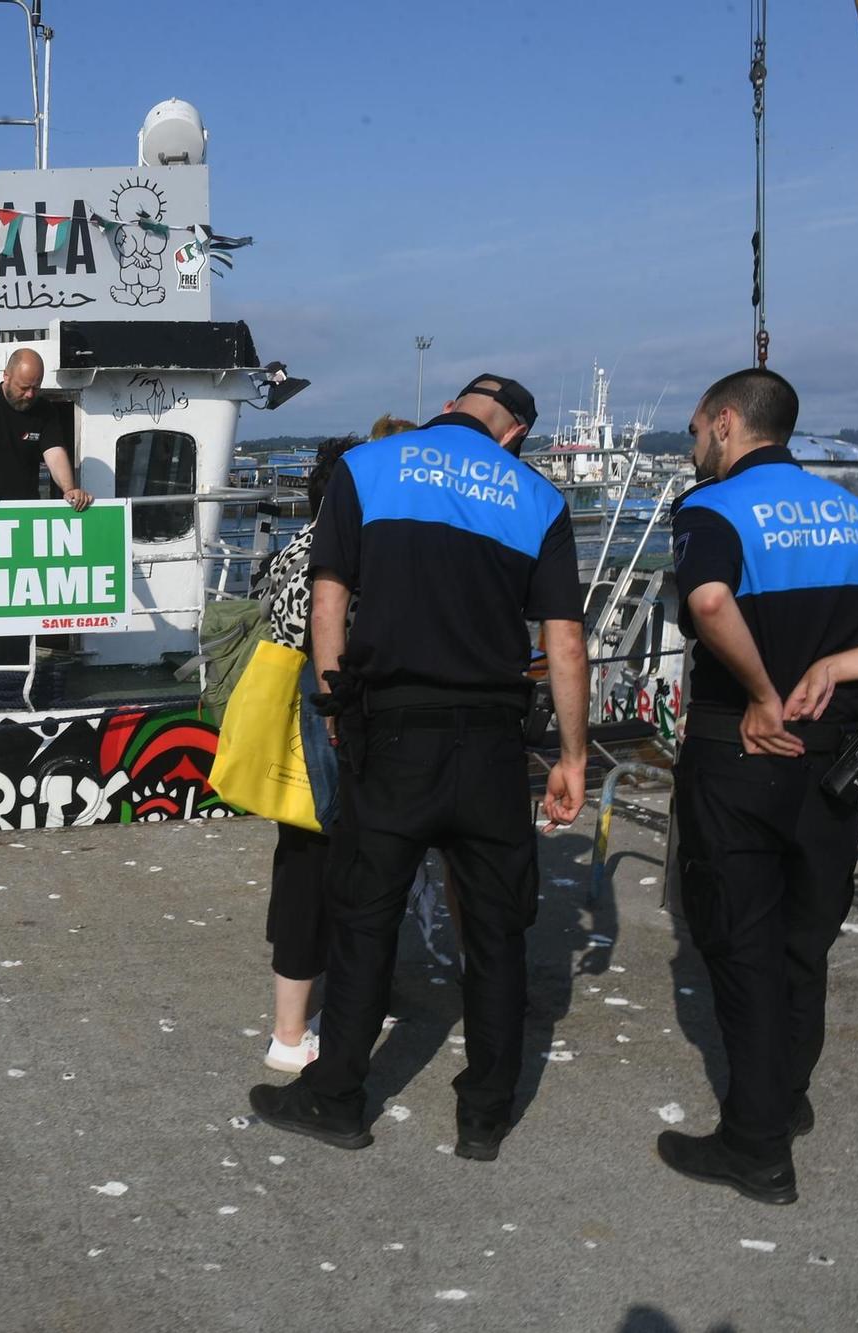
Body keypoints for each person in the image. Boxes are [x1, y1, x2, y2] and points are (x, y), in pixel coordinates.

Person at [249, 374, 592, 1162]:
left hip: (393, 729)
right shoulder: (536, 498)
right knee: (499, 930)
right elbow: (564, 642)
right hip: (491, 742)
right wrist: (571, 756)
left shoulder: (371, 468)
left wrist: (337, 709)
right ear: (514, 435)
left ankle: (338, 1098)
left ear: (451, 408)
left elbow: (328, 598)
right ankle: (485, 1115)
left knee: (366, 916)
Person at [659, 368, 858, 1205]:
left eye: (694, 432)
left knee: (740, 941)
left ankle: (755, 1145)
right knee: (806, 938)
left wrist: (762, 691)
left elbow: (712, 596)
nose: (694, 449)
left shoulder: (712, 509)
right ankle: (786, 1098)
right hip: (837, 764)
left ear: (726, 424)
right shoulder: (856, 514)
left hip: (743, 753)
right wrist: (840, 663)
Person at [253, 436, 359, 1072]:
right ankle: (292, 1036)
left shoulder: (294, 548)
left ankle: (291, 1028)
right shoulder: (344, 555)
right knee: (330, 864)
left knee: (299, 864)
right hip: (329, 724)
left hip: (289, 730)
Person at [0, 347, 92, 668]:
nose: (30, 394)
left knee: (19, 599)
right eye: (24, 386)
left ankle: (11, 672)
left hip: (23, 521)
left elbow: (54, 452)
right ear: (6, 376)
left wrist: (69, 489)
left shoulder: (44, 411)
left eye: (36, 387)